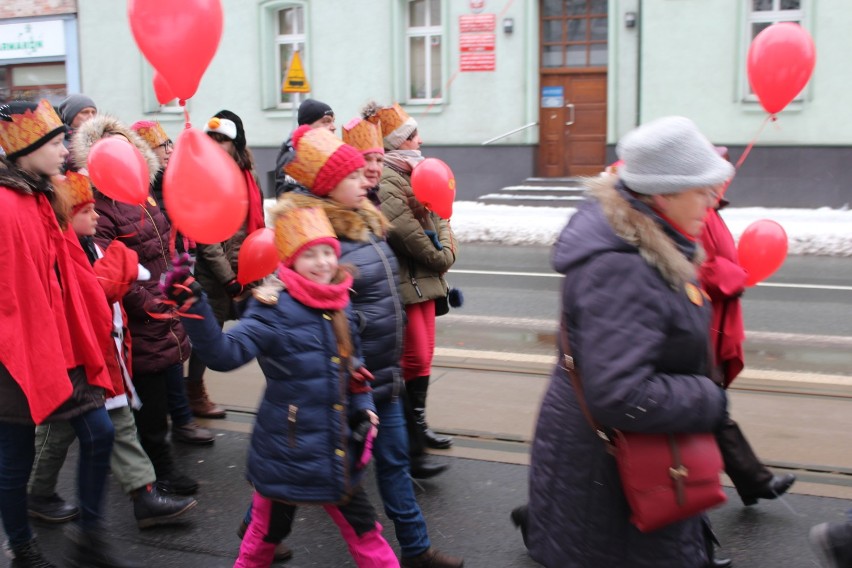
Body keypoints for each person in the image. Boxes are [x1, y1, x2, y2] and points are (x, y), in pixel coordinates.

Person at [519, 116, 733, 568]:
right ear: (663, 193)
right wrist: (708, 397)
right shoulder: (624, 267)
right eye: (702, 189)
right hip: (611, 479)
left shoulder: (645, 244)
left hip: (615, 467)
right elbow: (621, 394)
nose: (713, 200)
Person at [163, 202, 399, 568]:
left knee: (366, 532)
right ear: (289, 262)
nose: (322, 263)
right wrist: (195, 308)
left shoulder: (340, 301)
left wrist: (365, 405)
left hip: (336, 448)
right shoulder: (272, 310)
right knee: (264, 535)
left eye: (327, 252)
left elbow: (354, 364)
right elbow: (225, 355)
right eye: (310, 255)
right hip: (287, 450)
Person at [276, 121, 464, 567]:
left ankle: (416, 549)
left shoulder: (370, 222)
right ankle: (259, 530)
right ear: (328, 186)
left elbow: (387, 291)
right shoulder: (317, 239)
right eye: (354, 175)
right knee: (313, 468)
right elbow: (315, 311)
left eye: (366, 171)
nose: (365, 178)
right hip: (347, 382)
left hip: (387, 372)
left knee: (395, 461)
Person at [0, 99, 136, 567]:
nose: (65, 150)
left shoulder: (42, 195)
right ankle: (22, 547)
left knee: (98, 432)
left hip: (58, 341)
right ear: (28, 148)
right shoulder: (5, 205)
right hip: (14, 351)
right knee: (14, 456)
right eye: (57, 142)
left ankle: (90, 536)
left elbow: (65, 270)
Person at [27, 171, 198, 530]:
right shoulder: (57, 252)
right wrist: (119, 267)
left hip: (106, 351)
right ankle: (36, 493)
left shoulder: (95, 246)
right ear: (66, 217)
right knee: (58, 432)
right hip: (72, 357)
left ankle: (144, 495)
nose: (94, 217)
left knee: (118, 423)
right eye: (85, 211)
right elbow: (93, 289)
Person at [71, 114, 204, 494]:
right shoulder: (101, 207)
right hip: (140, 319)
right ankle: (158, 474)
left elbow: (163, 248)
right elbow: (110, 269)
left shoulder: (141, 196)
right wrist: (151, 305)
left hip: (164, 309)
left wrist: (178, 284)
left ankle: (157, 470)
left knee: (162, 390)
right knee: (148, 406)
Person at [699, 147, 796, 507]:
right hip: (698, 328)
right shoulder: (695, 213)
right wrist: (732, 275)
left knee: (709, 408)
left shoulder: (709, 211)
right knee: (707, 408)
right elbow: (692, 266)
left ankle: (750, 481)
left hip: (709, 326)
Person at [368, 102, 457, 459]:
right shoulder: (391, 176)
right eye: (414, 135)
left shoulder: (414, 171)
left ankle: (417, 424)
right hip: (408, 280)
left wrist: (445, 246)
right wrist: (442, 257)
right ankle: (403, 431)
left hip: (425, 280)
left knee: (424, 358)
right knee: (413, 357)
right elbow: (406, 230)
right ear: (400, 142)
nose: (421, 139)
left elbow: (441, 215)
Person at [127, 120, 215, 442]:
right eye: (161, 145)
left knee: (176, 346)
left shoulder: (172, 179)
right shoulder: (146, 187)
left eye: (169, 144)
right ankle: (175, 421)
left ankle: (180, 418)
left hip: (174, 268)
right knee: (166, 350)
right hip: (154, 278)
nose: (169, 150)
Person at [179, 110, 266, 420]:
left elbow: (258, 223)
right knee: (208, 337)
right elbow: (206, 236)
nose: (216, 145)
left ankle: (281, 391)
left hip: (250, 270)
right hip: (216, 273)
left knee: (265, 331)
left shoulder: (250, 176)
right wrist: (229, 279)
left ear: (236, 143)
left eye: (223, 140)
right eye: (211, 139)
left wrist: (257, 266)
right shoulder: (204, 177)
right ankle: (194, 392)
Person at [274, 98, 335, 197]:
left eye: (333, 121)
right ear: (307, 126)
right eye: (326, 121)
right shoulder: (294, 156)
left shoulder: (320, 152)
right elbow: (288, 196)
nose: (333, 127)